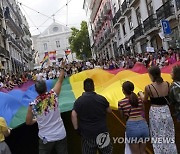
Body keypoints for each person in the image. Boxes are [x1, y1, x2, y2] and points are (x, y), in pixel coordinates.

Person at [26, 60, 68, 154]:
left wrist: (36, 120)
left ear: (36, 91)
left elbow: (28, 122)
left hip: (45, 138)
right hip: (60, 134)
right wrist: (62, 67)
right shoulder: (53, 95)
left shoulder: (33, 105)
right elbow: (60, 79)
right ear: (46, 88)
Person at [138, 66, 177, 154]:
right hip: (166, 110)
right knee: (169, 134)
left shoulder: (149, 87)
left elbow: (144, 99)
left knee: (157, 136)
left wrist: (140, 93)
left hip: (155, 113)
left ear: (151, 75)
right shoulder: (167, 84)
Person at [71, 78, 113, 154]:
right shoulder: (101, 99)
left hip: (87, 133)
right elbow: (109, 111)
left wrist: (76, 129)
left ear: (84, 88)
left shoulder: (79, 101)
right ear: (94, 87)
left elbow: (73, 115)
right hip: (102, 132)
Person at [118, 81, 149, 154]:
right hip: (144, 125)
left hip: (132, 127)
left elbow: (122, 116)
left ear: (123, 90)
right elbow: (143, 111)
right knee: (143, 151)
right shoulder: (139, 99)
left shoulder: (121, 102)